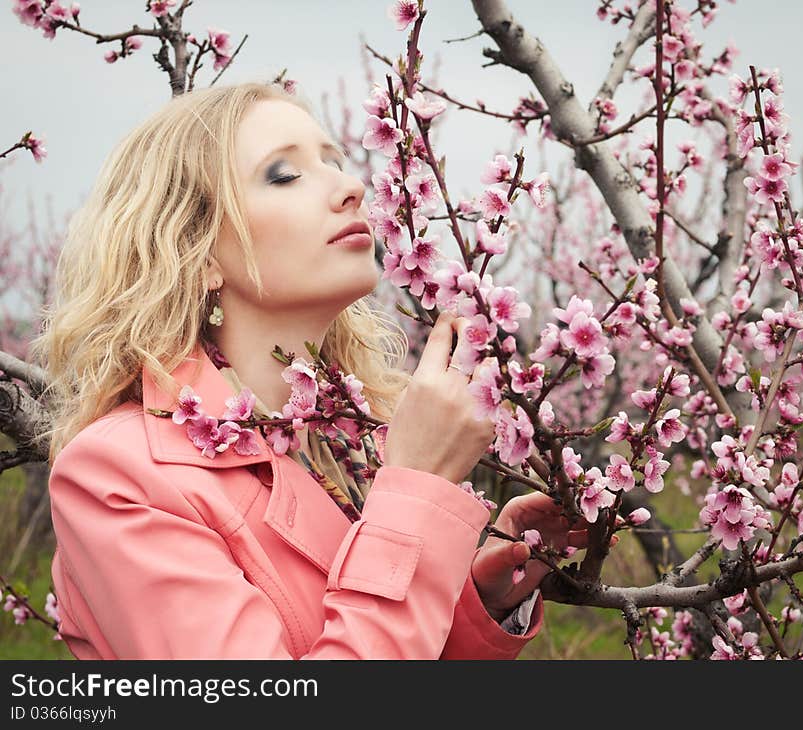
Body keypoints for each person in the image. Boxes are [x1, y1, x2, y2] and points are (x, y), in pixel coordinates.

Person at [31, 82, 589, 659]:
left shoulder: (348, 441)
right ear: (195, 254)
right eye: (284, 175)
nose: (351, 188)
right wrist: (417, 489)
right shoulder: (118, 476)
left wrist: (477, 600)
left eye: (336, 163)